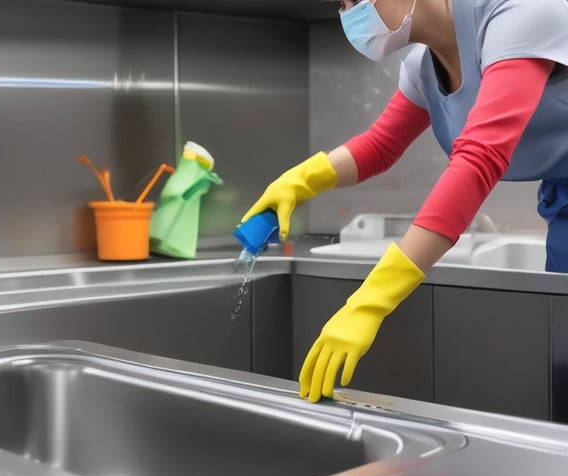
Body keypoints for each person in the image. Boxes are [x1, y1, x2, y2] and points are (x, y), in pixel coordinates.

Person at [241, 0, 568, 403]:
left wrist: (370, 300)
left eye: (351, 1)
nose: (347, 14)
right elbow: (379, 146)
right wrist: (301, 181)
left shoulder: (520, 12)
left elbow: (480, 158)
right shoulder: (423, 67)